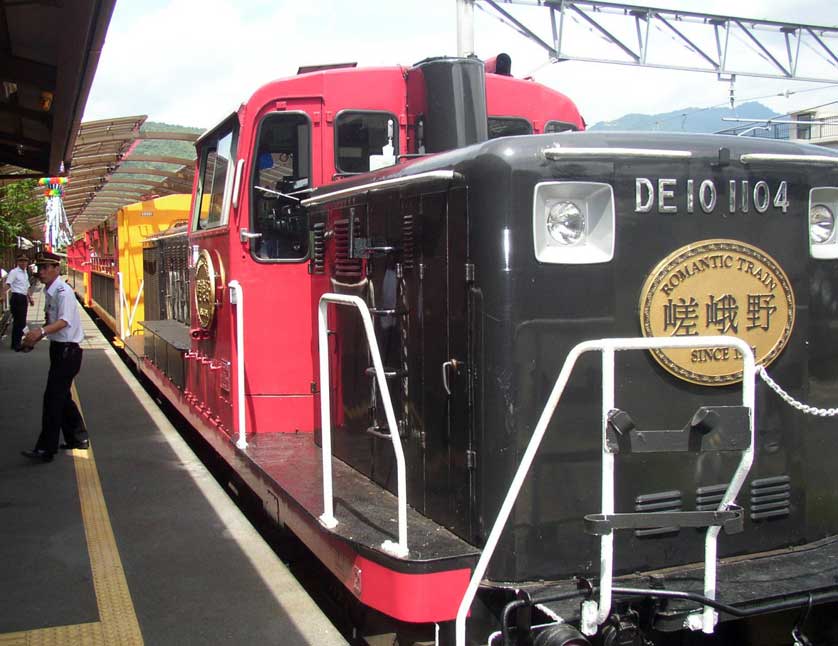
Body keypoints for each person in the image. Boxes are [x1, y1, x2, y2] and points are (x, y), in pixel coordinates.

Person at [21, 252, 89, 463]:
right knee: (62, 396)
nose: (40, 272)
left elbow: (64, 321)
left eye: (44, 268)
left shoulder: (62, 292)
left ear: (56, 269)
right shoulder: (52, 291)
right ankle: (78, 437)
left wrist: (40, 332)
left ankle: (45, 448)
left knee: (52, 399)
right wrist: (34, 339)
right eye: (39, 268)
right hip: (60, 349)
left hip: (68, 351)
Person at [2, 253, 34, 351]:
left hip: (23, 298)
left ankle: (19, 342)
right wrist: (2, 295)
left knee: (22, 321)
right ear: (18, 262)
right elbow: (8, 284)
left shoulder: (25, 273)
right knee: (18, 322)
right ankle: (15, 344)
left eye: (25, 261)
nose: (24, 263)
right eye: (21, 261)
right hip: (17, 298)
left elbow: (27, 286)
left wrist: (30, 298)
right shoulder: (14, 272)